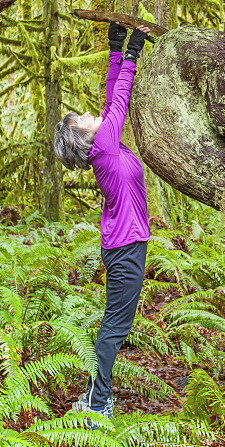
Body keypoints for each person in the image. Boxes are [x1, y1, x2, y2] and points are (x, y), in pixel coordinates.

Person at [53, 22, 153, 425]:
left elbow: (111, 100)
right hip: (126, 246)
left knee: (115, 323)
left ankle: (95, 396)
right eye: (84, 117)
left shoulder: (105, 146)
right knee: (115, 326)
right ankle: (97, 405)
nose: (93, 114)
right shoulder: (105, 146)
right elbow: (120, 101)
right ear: (83, 134)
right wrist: (133, 53)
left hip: (123, 243)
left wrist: (116, 49)